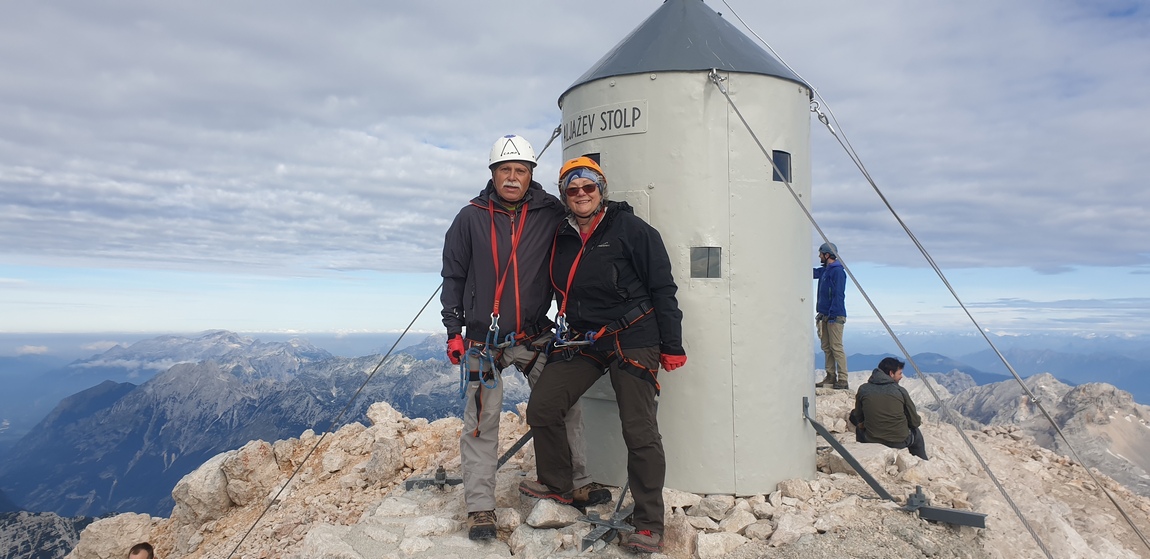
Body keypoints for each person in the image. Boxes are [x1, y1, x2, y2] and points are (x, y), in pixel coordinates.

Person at [440, 135, 609, 541]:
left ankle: (576, 482)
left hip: (534, 335)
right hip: (483, 340)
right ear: (493, 174)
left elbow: (586, 216)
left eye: (520, 170)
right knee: (481, 424)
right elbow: (454, 275)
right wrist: (453, 331)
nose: (513, 177)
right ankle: (480, 507)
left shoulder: (550, 211)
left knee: (564, 406)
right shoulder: (470, 217)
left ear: (531, 174)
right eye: (505, 170)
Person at [520, 156, 686, 554]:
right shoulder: (562, 236)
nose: (581, 194)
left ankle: (649, 523)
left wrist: (672, 343)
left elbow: (663, 287)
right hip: (585, 338)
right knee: (543, 406)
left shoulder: (631, 230)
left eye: (588, 187)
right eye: (572, 189)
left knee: (639, 429)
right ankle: (558, 484)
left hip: (634, 336)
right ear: (564, 196)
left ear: (601, 190)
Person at [849, 357, 929, 460]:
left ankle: (862, 456)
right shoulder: (900, 391)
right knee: (916, 434)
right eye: (900, 373)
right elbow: (915, 422)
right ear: (891, 373)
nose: (901, 377)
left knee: (856, 422)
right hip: (899, 441)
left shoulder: (863, 389)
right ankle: (922, 461)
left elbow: (859, 416)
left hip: (871, 439)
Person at [813, 242, 848, 389]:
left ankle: (843, 379)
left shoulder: (837, 272)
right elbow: (812, 273)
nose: (819, 256)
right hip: (826, 315)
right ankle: (830, 376)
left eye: (821, 254)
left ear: (827, 255)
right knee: (827, 347)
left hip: (834, 316)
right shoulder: (826, 271)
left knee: (836, 347)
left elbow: (838, 294)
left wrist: (833, 315)